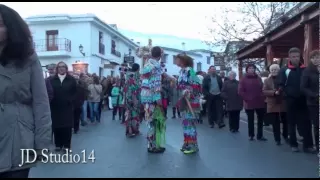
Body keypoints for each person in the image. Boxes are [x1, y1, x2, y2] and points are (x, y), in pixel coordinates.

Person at [0, 5, 52, 178]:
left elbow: (41, 102)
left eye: (0, 24)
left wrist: (42, 144)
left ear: (11, 28)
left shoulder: (27, 57)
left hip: (18, 137)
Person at [278, 47, 315, 153]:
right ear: (289, 57)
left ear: (300, 57)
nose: (295, 59)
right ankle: (293, 144)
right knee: (292, 123)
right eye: (293, 57)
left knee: (306, 123)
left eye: (297, 56)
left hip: (303, 99)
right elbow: (280, 84)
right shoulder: (285, 70)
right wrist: (285, 93)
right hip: (290, 100)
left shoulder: (305, 69)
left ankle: (308, 145)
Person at [141, 46, 166, 153]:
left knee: (150, 121)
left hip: (145, 96)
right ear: (160, 55)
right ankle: (153, 146)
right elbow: (155, 83)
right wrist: (158, 98)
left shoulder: (147, 64)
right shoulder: (156, 66)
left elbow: (144, 80)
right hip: (152, 97)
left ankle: (151, 144)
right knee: (154, 121)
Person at [175, 54, 202, 154]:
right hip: (184, 100)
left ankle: (193, 145)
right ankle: (187, 143)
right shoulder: (182, 71)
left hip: (190, 101)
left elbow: (197, 85)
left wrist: (188, 91)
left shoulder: (190, 71)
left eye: (177, 59)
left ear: (183, 61)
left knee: (190, 123)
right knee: (185, 123)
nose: (175, 61)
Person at [50, 61, 77, 152]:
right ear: (57, 69)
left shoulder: (71, 80)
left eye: (63, 67)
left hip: (67, 107)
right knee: (56, 126)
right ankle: (58, 144)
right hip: (55, 107)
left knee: (67, 127)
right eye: (59, 67)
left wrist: (70, 100)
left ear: (66, 68)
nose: (61, 68)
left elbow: (76, 92)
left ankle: (66, 145)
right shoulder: (52, 80)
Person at [238, 64, 267, 141]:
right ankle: (251, 135)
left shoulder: (258, 78)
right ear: (247, 70)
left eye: (253, 68)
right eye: (250, 68)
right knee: (250, 120)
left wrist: (263, 96)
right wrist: (246, 98)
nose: (251, 69)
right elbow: (240, 91)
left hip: (259, 101)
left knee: (260, 120)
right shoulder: (243, 79)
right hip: (249, 102)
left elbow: (262, 88)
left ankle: (260, 135)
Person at [263, 64, 288, 145]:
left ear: (279, 70)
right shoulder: (267, 80)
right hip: (273, 103)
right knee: (275, 122)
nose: (274, 71)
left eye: (276, 69)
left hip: (283, 102)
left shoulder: (284, 79)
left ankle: (285, 135)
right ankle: (277, 139)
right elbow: (264, 91)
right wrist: (274, 92)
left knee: (285, 121)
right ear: (270, 71)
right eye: (272, 70)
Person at [301, 50, 319, 152]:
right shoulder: (307, 71)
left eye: (318, 57)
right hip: (313, 102)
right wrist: (314, 95)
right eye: (314, 58)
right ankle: (318, 147)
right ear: (311, 59)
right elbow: (303, 87)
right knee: (317, 125)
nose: (316, 59)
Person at [124, 63, 141, 137]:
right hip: (135, 96)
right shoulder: (137, 75)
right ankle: (135, 130)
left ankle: (129, 131)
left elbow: (126, 86)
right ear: (137, 69)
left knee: (129, 113)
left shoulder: (127, 75)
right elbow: (137, 86)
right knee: (135, 113)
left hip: (128, 96)